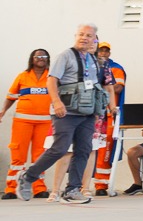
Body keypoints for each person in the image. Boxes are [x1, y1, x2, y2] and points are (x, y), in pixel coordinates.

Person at [16, 24, 112, 205]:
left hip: (87, 113)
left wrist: (99, 109)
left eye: (89, 35)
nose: (84, 38)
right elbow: (52, 80)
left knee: (83, 149)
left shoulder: (93, 59)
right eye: (81, 34)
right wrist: (56, 102)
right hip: (66, 111)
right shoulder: (65, 56)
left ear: (95, 39)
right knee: (60, 148)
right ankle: (28, 176)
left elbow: (95, 86)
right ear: (76, 36)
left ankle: (72, 190)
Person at [3, 48, 54, 199]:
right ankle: (11, 189)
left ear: (48, 60)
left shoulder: (52, 77)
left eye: (44, 56)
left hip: (44, 123)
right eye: (38, 56)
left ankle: (39, 188)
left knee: (40, 156)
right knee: (18, 155)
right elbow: (11, 97)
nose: (41, 58)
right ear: (32, 59)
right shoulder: (22, 76)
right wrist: (3, 111)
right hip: (22, 122)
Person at [92, 42, 127, 196]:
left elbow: (118, 87)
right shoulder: (89, 66)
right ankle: (80, 184)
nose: (104, 53)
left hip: (108, 115)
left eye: (107, 51)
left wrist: (101, 87)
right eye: (101, 50)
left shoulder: (116, 68)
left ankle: (101, 185)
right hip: (91, 114)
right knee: (87, 148)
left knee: (104, 150)